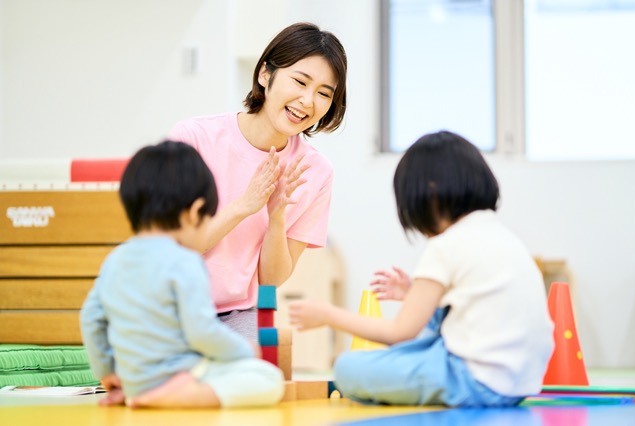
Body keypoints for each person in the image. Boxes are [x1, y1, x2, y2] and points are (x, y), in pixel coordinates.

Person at [288, 131, 554, 407]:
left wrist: (328, 315)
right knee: (420, 347)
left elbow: (399, 333)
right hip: (521, 383)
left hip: (474, 381)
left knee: (347, 368)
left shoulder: (446, 245)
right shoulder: (503, 236)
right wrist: (412, 294)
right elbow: (476, 310)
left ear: (426, 194)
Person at [167, 22, 348, 341]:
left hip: (238, 315)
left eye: (323, 93)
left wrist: (276, 217)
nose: (307, 101)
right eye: (300, 81)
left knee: (254, 382)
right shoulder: (194, 138)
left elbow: (272, 280)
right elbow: (176, 247)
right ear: (265, 74)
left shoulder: (316, 172)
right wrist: (246, 206)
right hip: (171, 306)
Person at [80, 141, 284, 409]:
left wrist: (108, 372)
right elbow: (202, 333)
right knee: (269, 379)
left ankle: (141, 394)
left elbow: (91, 319)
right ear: (195, 212)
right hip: (179, 375)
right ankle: (183, 398)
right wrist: (245, 350)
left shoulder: (115, 259)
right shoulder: (185, 261)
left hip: (134, 380)